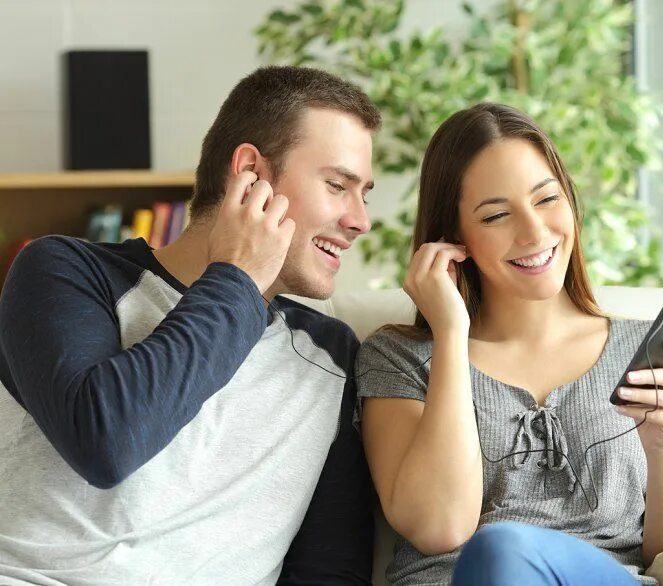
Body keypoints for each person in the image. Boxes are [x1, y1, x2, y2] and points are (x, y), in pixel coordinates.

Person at [0, 66, 379, 584]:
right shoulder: (65, 272)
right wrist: (239, 277)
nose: (361, 220)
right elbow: (106, 441)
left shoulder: (332, 359)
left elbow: (328, 567)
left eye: (366, 194)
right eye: (338, 185)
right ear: (251, 173)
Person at [356, 103, 663, 585]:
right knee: (501, 550)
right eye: (496, 216)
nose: (534, 232)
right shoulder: (399, 360)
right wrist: (450, 334)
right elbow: (437, 526)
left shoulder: (661, 356)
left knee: (505, 547)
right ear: (453, 237)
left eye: (547, 199)